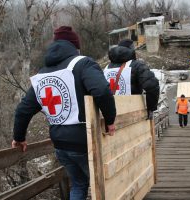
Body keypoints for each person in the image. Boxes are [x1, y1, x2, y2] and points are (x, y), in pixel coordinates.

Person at [12, 26, 116, 200]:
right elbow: (102, 91)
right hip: (84, 141)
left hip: (60, 144)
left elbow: (23, 110)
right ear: (75, 47)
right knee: (104, 185)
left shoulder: (42, 75)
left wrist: (19, 137)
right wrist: (110, 120)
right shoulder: (84, 63)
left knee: (78, 184)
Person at [104, 39, 160, 119]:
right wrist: (150, 108)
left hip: (110, 115)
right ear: (131, 49)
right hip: (132, 114)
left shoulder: (106, 68)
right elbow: (152, 86)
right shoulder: (137, 65)